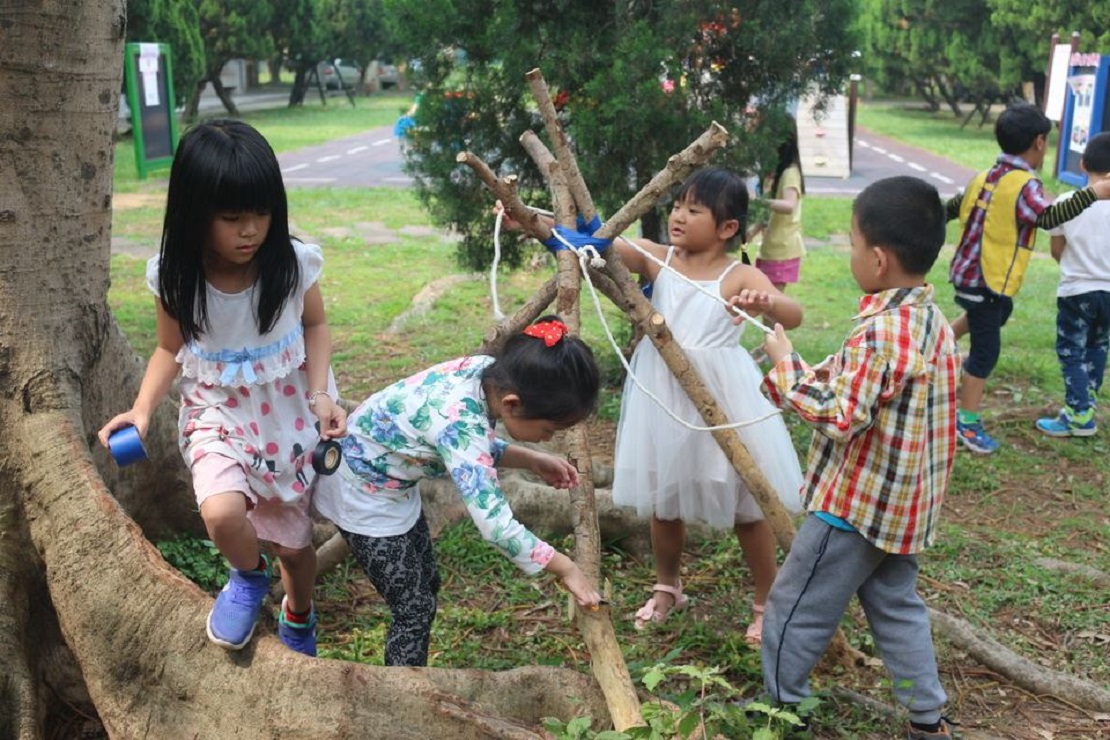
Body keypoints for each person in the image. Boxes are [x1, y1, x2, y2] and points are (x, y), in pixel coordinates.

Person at [98, 120, 347, 657]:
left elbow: (316, 326)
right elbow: (169, 350)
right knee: (221, 511)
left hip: (289, 415)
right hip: (219, 414)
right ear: (194, 213)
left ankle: (299, 613)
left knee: (296, 546)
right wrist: (141, 412)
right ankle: (247, 577)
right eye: (232, 218)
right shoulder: (175, 278)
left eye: (261, 214)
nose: (250, 230)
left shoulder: (293, 264)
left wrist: (322, 393)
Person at [759, 176, 959, 739]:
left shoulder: (882, 333)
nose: (848, 253)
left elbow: (842, 417)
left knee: (795, 605)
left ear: (876, 259)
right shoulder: (929, 322)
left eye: (849, 243)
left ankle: (781, 710)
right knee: (897, 606)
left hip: (853, 507)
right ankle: (927, 718)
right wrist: (827, 371)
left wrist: (787, 365)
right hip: (903, 511)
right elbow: (881, 391)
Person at [312, 317, 603, 666]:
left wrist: (531, 459)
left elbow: (465, 445)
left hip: (390, 482)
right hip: (361, 494)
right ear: (511, 403)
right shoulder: (459, 419)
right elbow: (495, 524)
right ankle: (401, 694)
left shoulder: (486, 374)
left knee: (426, 583)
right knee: (414, 608)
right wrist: (566, 567)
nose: (549, 439)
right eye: (548, 429)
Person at [607, 167, 805, 643]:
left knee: (746, 501)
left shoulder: (738, 275)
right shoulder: (661, 259)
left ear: (727, 228)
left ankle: (767, 598)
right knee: (664, 496)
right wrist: (533, 220)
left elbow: (793, 313)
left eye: (694, 210)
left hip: (723, 398)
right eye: (677, 205)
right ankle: (668, 586)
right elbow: (602, 244)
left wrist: (767, 303)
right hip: (664, 394)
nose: (678, 215)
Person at [946, 103, 1110, 453]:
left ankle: (940, 343)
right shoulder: (1023, 184)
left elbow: (955, 205)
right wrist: (1092, 194)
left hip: (971, 275)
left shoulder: (986, 175)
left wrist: (928, 214)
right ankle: (967, 422)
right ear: (1038, 142)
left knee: (996, 313)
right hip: (987, 278)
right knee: (985, 352)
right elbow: (1048, 218)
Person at [1036, 131, 1110, 437]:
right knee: (1098, 347)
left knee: (1071, 351)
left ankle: (1079, 415)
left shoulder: (1068, 202)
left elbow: (1056, 248)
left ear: (1082, 165)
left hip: (1076, 291)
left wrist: (1071, 265)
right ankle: (1086, 402)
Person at [747, 114, 806, 291]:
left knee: (771, 308)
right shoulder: (777, 172)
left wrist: (758, 201)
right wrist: (754, 231)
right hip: (771, 249)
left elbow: (788, 206)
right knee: (767, 309)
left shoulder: (790, 173)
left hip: (782, 251)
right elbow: (770, 213)